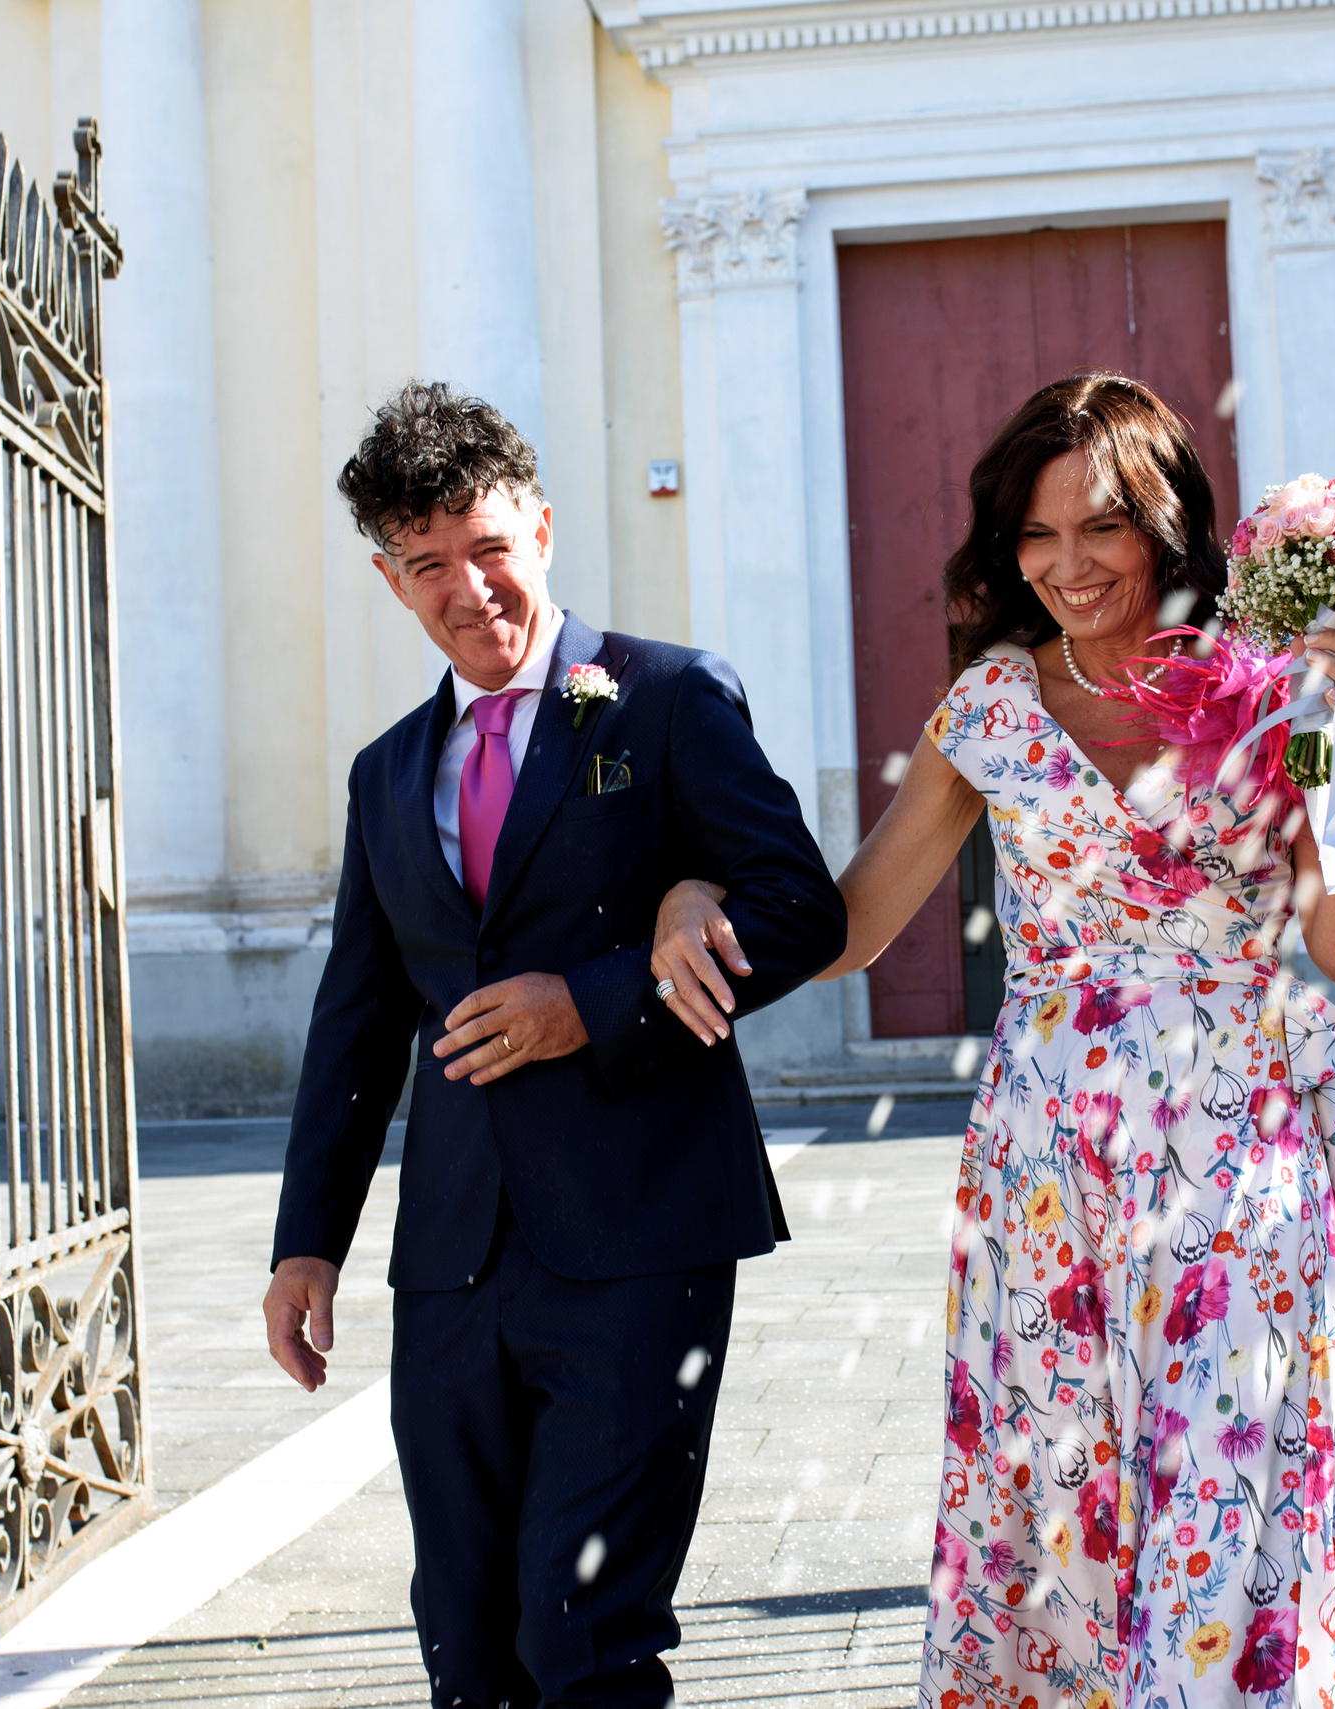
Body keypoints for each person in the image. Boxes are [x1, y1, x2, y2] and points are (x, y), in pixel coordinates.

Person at [649, 372, 1335, 1703]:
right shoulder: (990, 708)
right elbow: (856, 922)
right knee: (1061, 1512)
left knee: (1230, 1498)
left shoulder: (1283, 692)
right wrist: (691, 894)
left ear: (1165, 525)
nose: (1066, 566)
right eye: (1036, 537)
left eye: (1099, 530)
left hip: (1238, 1150)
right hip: (1047, 1170)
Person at [262, 381, 848, 1707]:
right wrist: (311, 1237)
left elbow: (798, 908)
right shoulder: (384, 770)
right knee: (465, 1635)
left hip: (644, 1231)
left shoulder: (668, 702)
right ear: (389, 578)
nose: (469, 586)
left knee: (585, 1625)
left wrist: (591, 1001)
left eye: (487, 545)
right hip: (455, 1259)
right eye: (428, 565)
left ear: (536, 522)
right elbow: (357, 1015)